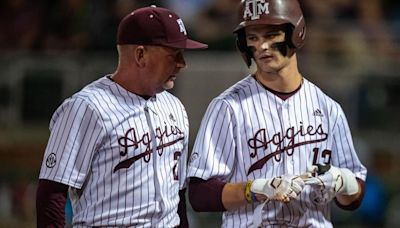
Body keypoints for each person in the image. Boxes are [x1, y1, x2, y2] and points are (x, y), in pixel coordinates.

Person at [187, 0, 367, 227]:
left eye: (271, 35)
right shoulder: (228, 107)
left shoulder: (328, 107)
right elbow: (200, 195)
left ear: (296, 33)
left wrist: (343, 182)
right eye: (253, 37)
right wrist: (255, 189)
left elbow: (354, 198)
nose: (262, 46)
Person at [36, 5, 207, 227]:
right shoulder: (87, 107)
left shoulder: (174, 106)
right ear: (140, 54)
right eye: (174, 54)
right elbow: (51, 194)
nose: (182, 64)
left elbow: (178, 196)